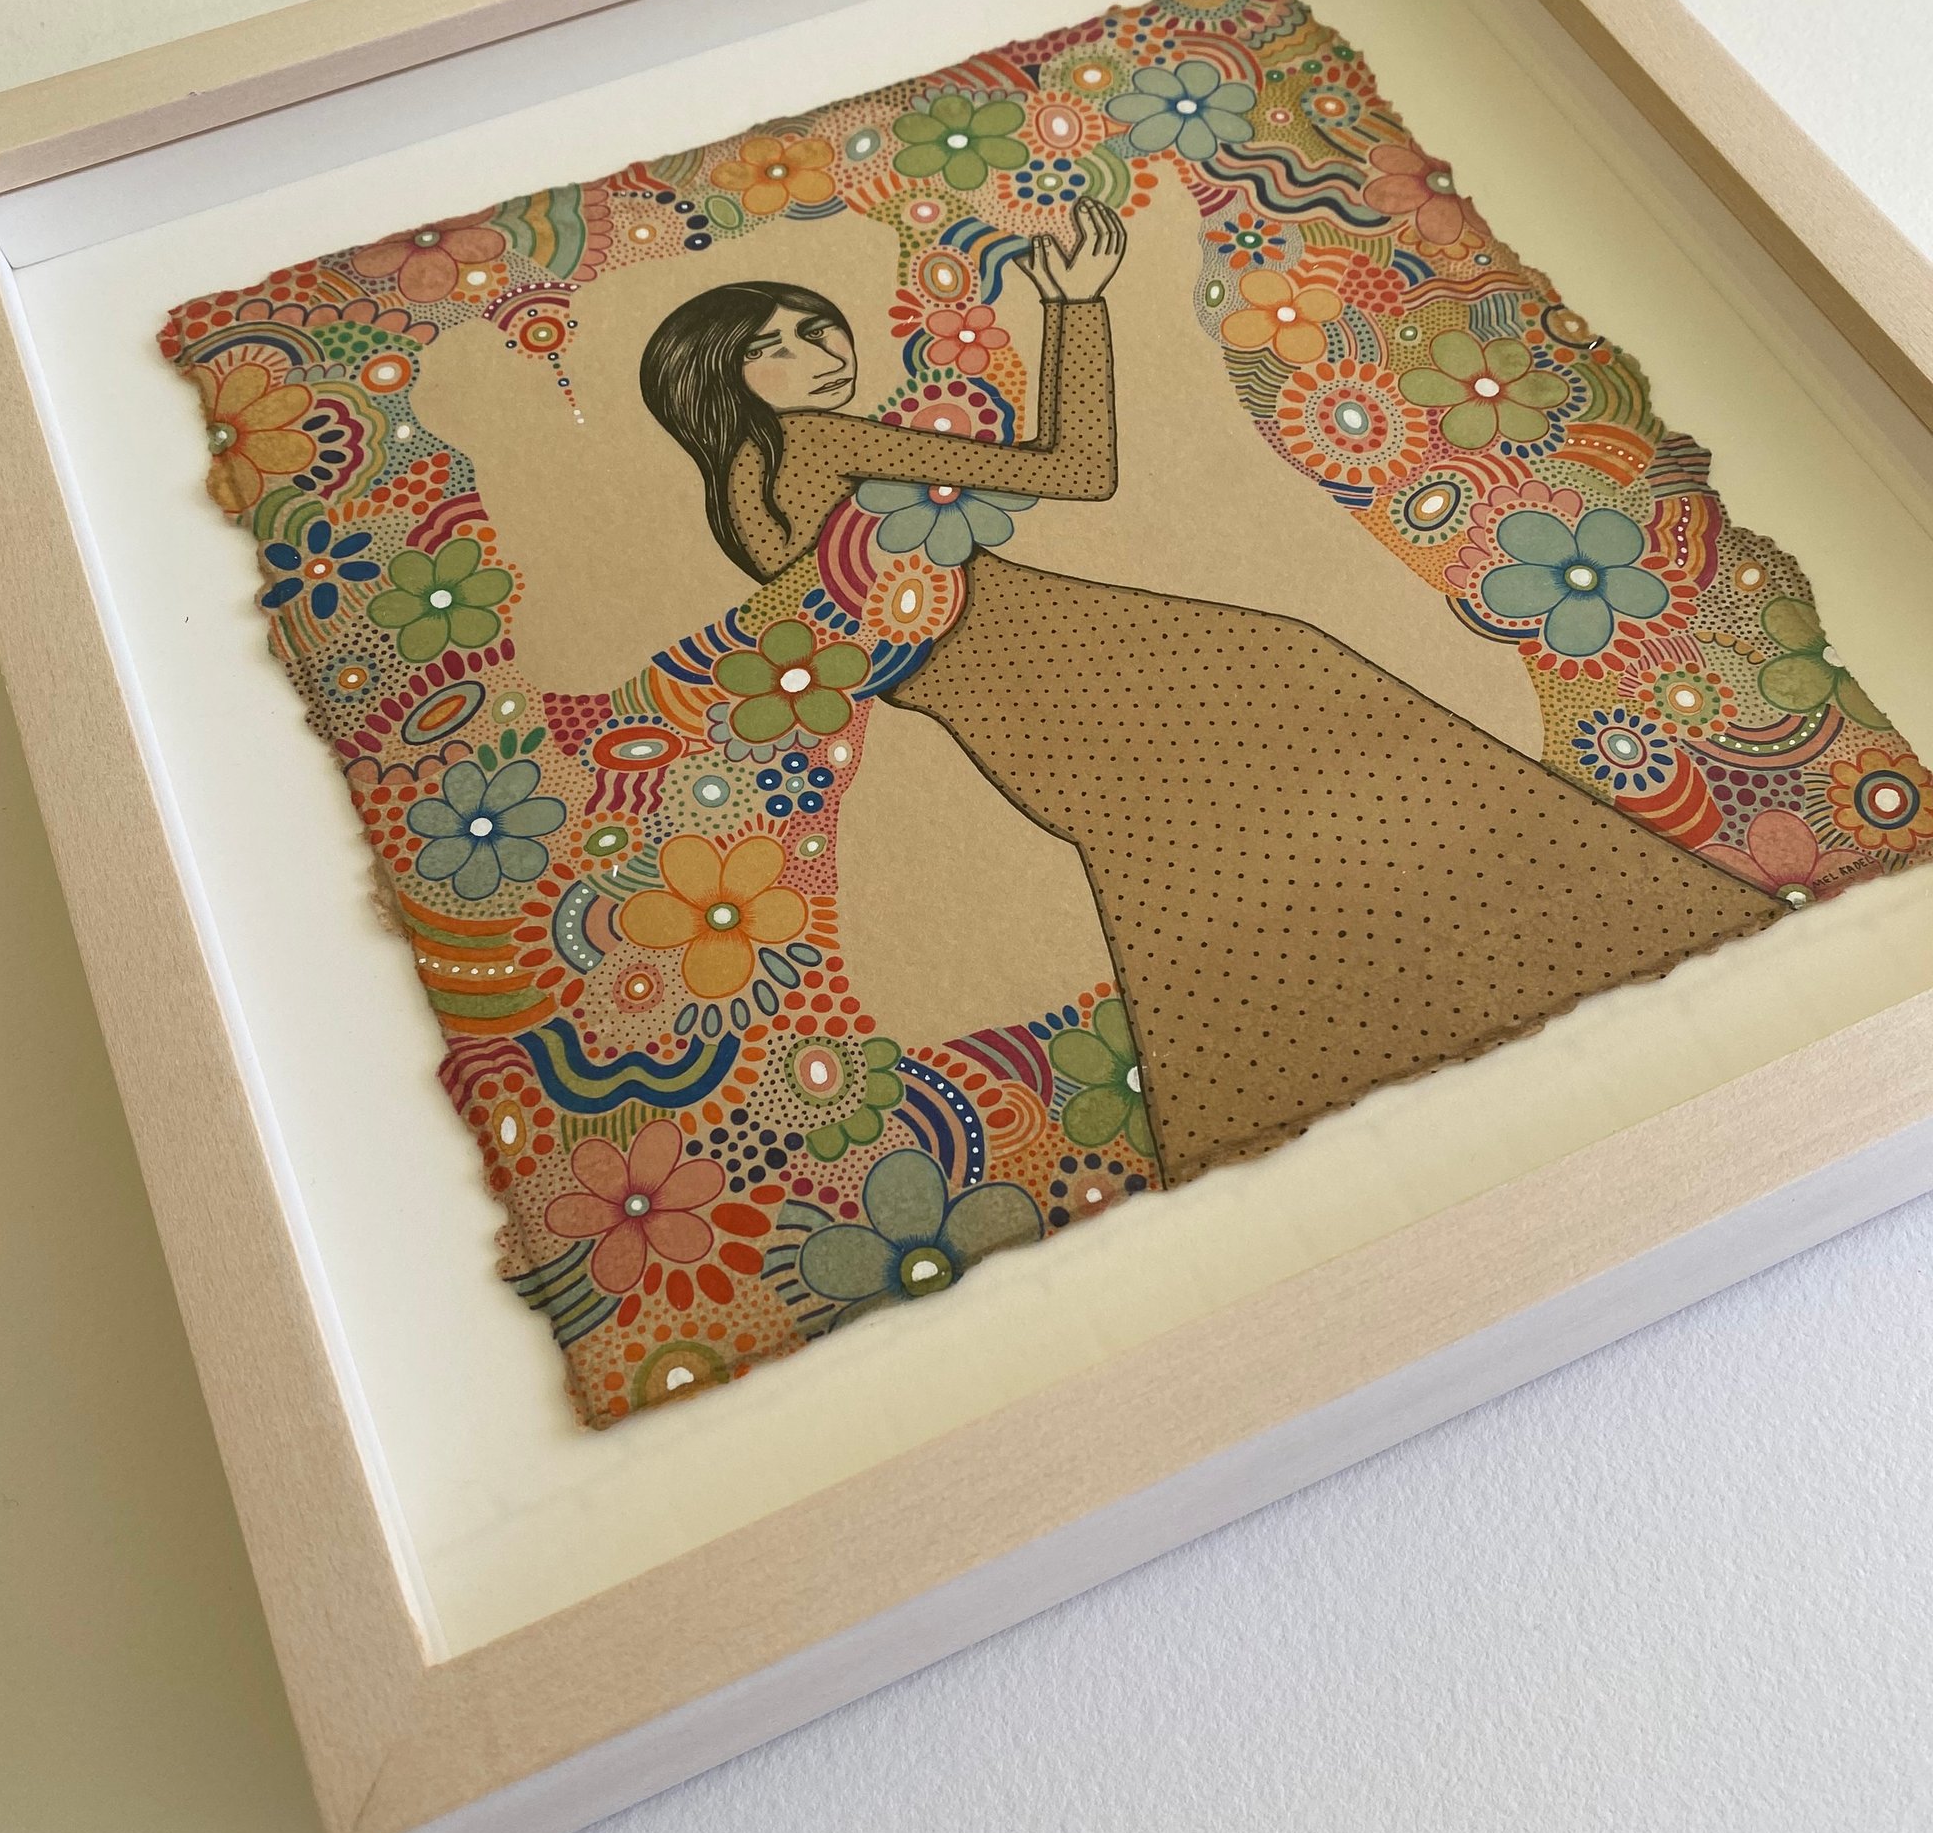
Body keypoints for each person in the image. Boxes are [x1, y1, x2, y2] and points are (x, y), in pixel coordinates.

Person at [640, 201, 1776, 1184]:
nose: (814, 350)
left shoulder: (739, 491)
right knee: (1294, 716)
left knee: (1185, 865)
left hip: (1014, 709)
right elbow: (1076, 469)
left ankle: (1283, 1092)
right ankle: (1588, 932)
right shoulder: (815, 444)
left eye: (815, 326)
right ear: (717, 377)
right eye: (771, 345)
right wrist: (1074, 307)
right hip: (1075, 663)